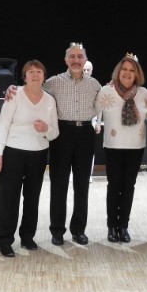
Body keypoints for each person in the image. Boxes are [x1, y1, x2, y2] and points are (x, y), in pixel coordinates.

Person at [0, 60, 59, 257]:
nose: (35, 75)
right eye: (31, 72)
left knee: (32, 198)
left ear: (44, 76)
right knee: (9, 198)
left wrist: (45, 129)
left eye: (39, 71)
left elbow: (54, 133)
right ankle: (5, 240)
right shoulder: (14, 95)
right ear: (24, 76)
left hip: (38, 154)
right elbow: (3, 125)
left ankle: (27, 237)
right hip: (13, 153)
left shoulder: (49, 100)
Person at [43, 42, 101, 246]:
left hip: (85, 133)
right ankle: (57, 230)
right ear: (66, 59)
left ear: (85, 60)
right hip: (62, 133)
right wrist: (12, 89)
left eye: (80, 56)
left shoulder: (94, 84)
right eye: (72, 56)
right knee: (58, 184)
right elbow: (32, 91)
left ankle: (78, 230)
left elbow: (105, 102)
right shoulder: (52, 82)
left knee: (82, 185)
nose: (76, 60)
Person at [96, 53, 147, 243]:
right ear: (118, 72)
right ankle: (112, 226)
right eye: (124, 69)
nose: (127, 73)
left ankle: (124, 225)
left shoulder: (143, 93)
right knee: (114, 187)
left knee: (128, 187)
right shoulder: (106, 91)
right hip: (113, 146)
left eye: (131, 70)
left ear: (137, 74)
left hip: (136, 146)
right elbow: (93, 112)